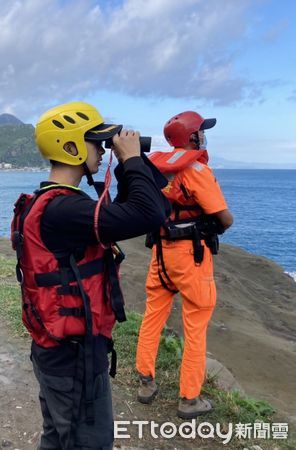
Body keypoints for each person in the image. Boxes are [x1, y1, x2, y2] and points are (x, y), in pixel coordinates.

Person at [11, 101, 169, 449]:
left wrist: (131, 166)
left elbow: (127, 213)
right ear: (71, 148)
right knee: (88, 442)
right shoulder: (66, 210)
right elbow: (151, 214)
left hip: (55, 349)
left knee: (58, 436)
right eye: (96, 143)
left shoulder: (52, 203)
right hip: (74, 359)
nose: (102, 150)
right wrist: (131, 159)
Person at [135, 111, 233, 419]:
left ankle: (145, 383)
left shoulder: (156, 169)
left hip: (161, 253)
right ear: (192, 138)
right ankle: (189, 399)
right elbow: (224, 218)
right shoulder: (196, 170)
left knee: (153, 316)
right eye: (202, 131)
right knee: (196, 327)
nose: (204, 135)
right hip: (192, 257)